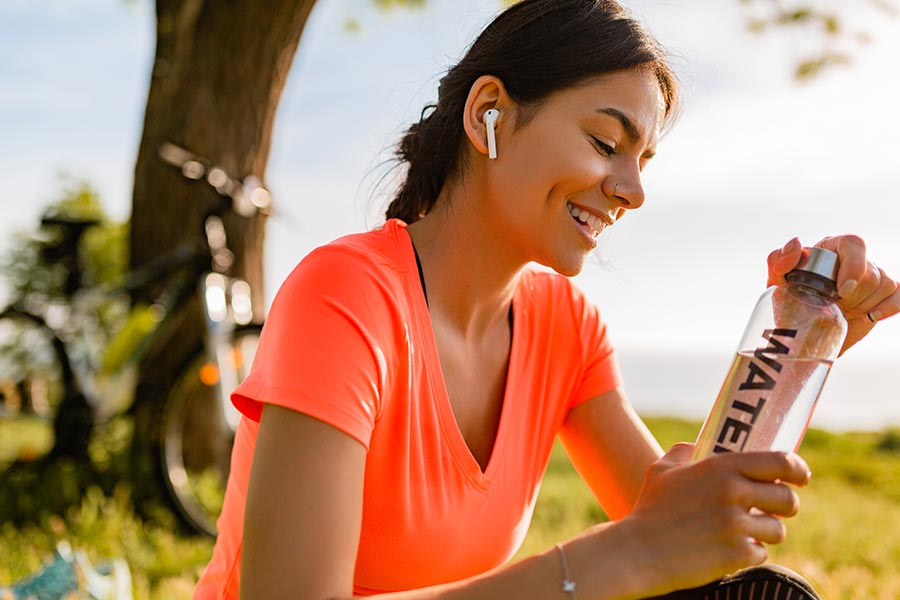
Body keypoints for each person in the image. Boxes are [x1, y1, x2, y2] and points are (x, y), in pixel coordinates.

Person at [194, 1, 899, 598]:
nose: (632, 190)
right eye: (604, 142)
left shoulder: (565, 326)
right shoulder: (346, 297)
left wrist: (793, 350)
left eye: (643, 161)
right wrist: (602, 561)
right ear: (489, 113)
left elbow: (688, 525)